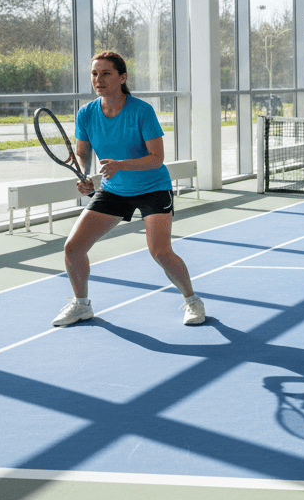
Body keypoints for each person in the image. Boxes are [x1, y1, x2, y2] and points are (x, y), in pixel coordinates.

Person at [52, 51, 207, 327]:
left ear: (122, 77)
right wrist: (85, 177)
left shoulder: (141, 111)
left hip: (152, 186)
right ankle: (81, 305)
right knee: (73, 248)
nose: (98, 79)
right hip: (114, 189)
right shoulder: (86, 114)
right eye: (94, 74)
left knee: (160, 251)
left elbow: (156, 158)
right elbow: (83, 155)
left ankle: (192, 300)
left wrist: (121, 165)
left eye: (106, 73)